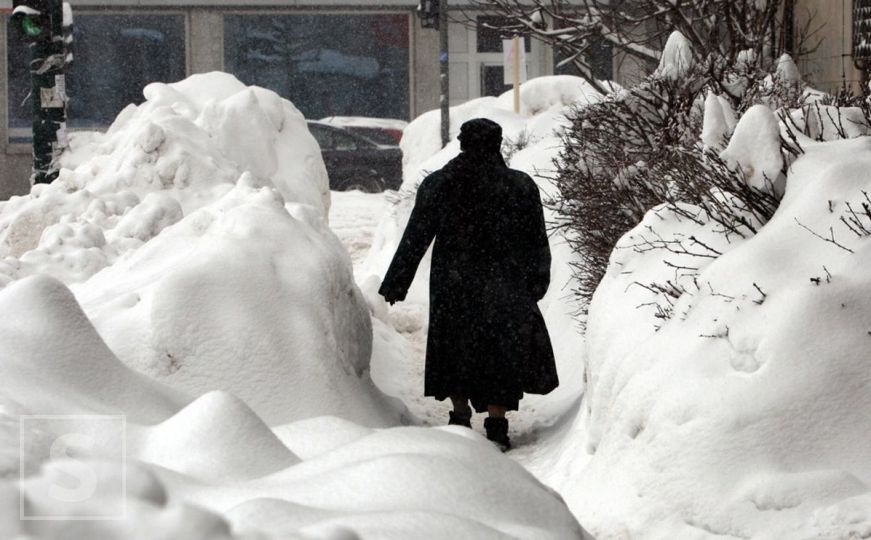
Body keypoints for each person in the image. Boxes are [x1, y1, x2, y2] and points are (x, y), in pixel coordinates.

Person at [378, 118, 558, 451]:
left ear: (461, 144)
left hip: (453, 282)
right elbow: (536, 240)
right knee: (499, 349)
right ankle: (497, 420)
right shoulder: (519, 186)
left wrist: (396, 283)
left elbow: (415, 238)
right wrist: (536, 281)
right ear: (497, 143)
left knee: (455, 346)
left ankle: (459, 415)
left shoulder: (439, 184)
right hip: (504, 282)